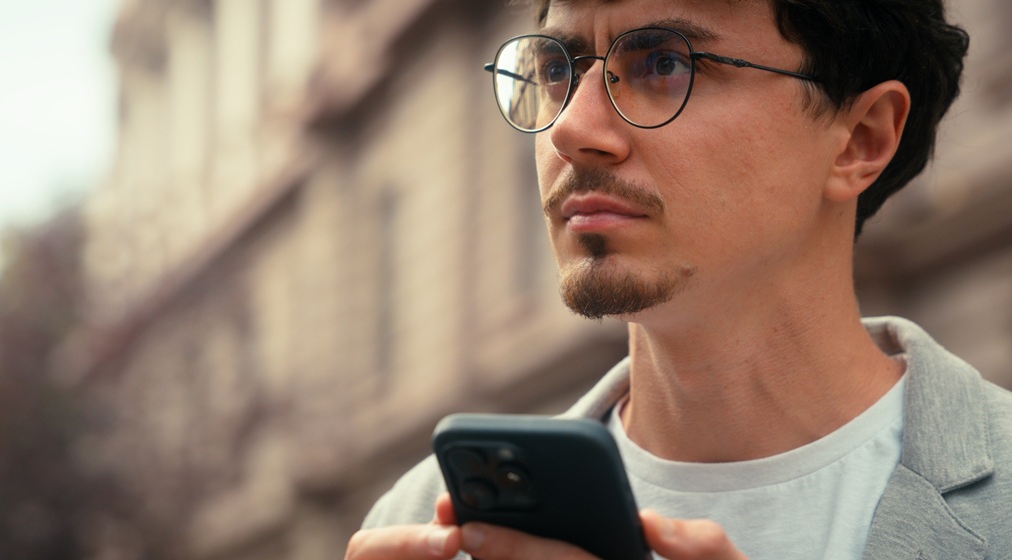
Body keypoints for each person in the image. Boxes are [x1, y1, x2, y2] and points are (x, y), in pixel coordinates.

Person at [346, 0, 1012, 558]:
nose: (572, 129)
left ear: (860, 138)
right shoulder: (426, 523)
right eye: (556, 70)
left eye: (663, 64)